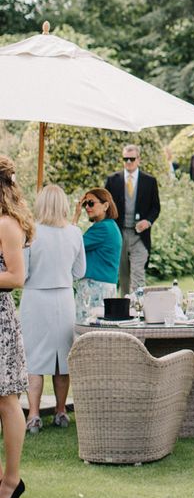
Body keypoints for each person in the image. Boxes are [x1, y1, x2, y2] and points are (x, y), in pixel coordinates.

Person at [21, 185, 85, 434]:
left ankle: (34, 415)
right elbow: (79, 272)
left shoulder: (31, 233)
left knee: (35, 358)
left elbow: (23, 273)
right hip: (64, 298)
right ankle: (60, 411)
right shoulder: (75, 232)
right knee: (62, 358)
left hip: (36, 299)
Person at [0, 155, 34, 498]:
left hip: (0, 321)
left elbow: (16, 277)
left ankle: (11, 481)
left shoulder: (8, 224)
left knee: (7, 401)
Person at [105, 144, 161, 295]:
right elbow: (106, 206)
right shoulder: (112, 180)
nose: (128, 162)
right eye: (125, 159)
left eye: (132, 159)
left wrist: (147, 221)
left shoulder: (149, 181)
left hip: (140, 236)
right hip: (119, 234)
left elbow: (156, 207)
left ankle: (139, 307)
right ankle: (125, 308)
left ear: (139, 160)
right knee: (123, 276)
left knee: (138, 275)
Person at [72, 187, 123, 318]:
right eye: (85, 204)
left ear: (105, 205)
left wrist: (75, 217)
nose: (87, 207)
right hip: (103, 287)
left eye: (91, 203)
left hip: (95, 288)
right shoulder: (110, 226)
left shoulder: (103, 228)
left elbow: (72, 245)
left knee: (85, 332)